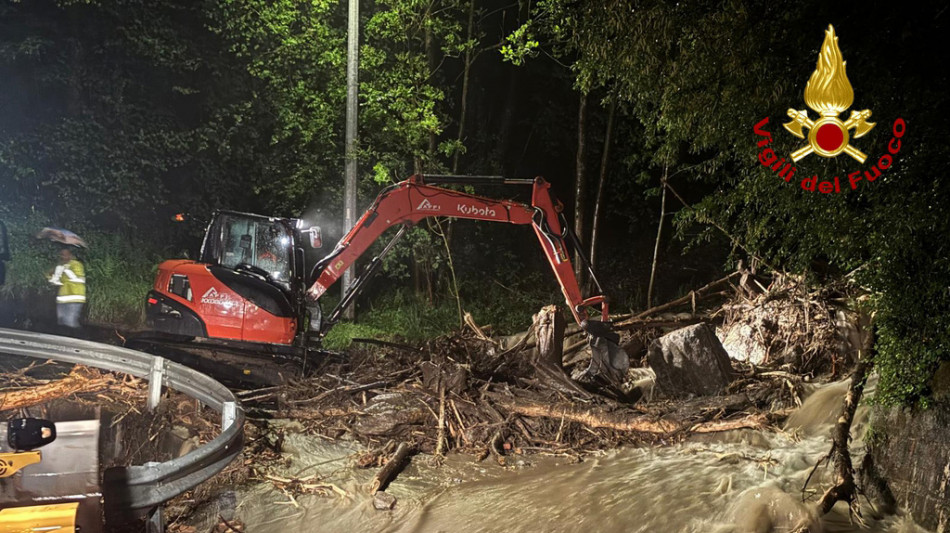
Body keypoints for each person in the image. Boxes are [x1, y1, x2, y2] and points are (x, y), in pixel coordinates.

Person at [49, 247, 85, 332]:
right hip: (62, 298)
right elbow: (55, 279)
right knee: (61, 321)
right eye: (62, 254)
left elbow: (78, 279)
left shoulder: (76, 264)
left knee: (71, 322)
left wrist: (66, 270)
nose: (63, 256)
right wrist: (52, 276)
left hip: (75, 297)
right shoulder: (60, 265)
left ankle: (79, 339)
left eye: (65, 254)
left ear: (70, 255)